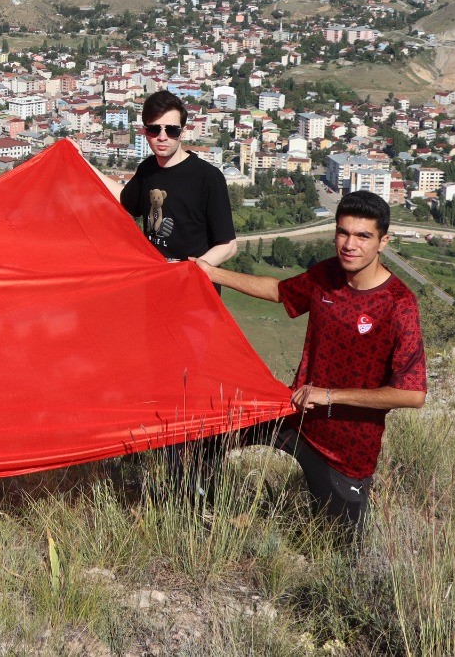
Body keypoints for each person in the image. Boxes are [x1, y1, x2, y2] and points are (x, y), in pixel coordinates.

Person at [193, 190, 427, 531]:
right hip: (294, 416)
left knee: (337, 548)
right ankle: (202, 514)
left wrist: (329, 395)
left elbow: (412, 394)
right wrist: (210, 274)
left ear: (383, 242)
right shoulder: (328, 274)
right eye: (343, 232)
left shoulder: (399, 304)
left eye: (363, 236)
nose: (350, 244)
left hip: (346, 449)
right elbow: (279, 292)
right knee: (204, 434)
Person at [119, 90, 237, 264]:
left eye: (172, 130)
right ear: (145, 132)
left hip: (192, 286)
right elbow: (123, 198)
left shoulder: (208, 177)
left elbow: (228, 246)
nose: (162, 137)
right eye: (154, 129)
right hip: (156, 283)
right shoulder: (147, 169)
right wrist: (81, 161)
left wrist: (188, 270)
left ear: (182, 132)